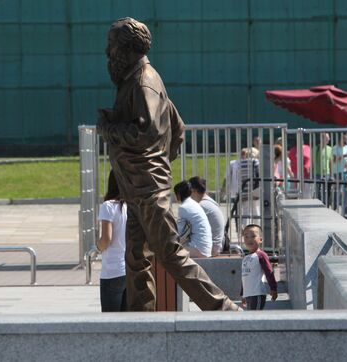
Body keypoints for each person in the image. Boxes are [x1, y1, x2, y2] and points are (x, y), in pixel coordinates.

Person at [97, 17, 241, 311]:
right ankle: (142, 319)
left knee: (171, 254)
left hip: (147, 188)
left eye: (111, 46)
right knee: (136, 258)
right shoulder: (133, 81)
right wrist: (157, 159)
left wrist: (109, 130)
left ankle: (224, 309)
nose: (107, 52)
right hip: (137, 188)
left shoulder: (143, 81)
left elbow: (146, 131)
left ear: (127, 48)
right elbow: (178, 126)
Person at [96, 171, 127, 312]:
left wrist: (98, 247)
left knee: (111, 319)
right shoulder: (131, 205)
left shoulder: (108, 206)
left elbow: (106, 239)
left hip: (112, 270)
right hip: (129, 269)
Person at [240, 224, 277, 311]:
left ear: (260, 239)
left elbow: (269, 272)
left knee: (255, 318)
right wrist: (243, 294)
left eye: (253, 236)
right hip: (249, 294)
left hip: (257, 294)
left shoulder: (261, 255)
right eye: (246, 236)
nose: (249, 239)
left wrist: (273, 288)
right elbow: (244, 277)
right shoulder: (245, 258)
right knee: (252, 318)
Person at [174, 181, 212, 258]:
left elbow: (178, 234)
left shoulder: (183, 207)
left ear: (178, 195)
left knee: (168, 250)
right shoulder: (194, 204)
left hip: (197, 249)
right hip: (205, 249)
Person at [188, 176, 225, 256]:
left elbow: (185, 230)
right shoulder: (209, 203)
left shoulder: (201, 206)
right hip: (214, 247)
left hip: (209, 249)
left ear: (193, 191)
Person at [313, 132, 333, 205]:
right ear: (321, 138)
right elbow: (312, 162)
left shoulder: (330, 149)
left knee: (327, 191)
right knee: (318, 191)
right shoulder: (316, 148)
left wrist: (331, 175)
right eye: (326, 138)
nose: (328, 139)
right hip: (318, 173)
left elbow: (331, 162)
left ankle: (326, 204)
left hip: (327, 173)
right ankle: (318, 204)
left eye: (328, 138)